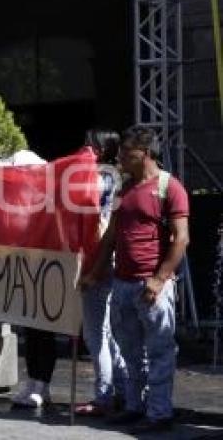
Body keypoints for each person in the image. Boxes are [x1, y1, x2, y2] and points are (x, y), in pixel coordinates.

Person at [84, 126, 189, 433]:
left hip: (151, 286)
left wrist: (159, 280)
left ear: (143, 154)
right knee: (130, 351)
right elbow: (111, 236)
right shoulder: (123, 189)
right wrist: (96, 272)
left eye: (125, 154)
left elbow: (181, 239)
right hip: (122, 283)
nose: (119, 159)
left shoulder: (170, 187)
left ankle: (159, 413)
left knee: (159, 351)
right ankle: (135, 406)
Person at [75, 130, 128, 416]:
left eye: (89, 143)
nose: (84, 147)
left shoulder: (96, 178)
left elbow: (96, 221)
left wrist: (92, 268)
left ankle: (105, 394)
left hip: (98, 259)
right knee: (106, 331)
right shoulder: (117, 178)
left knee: (96, 333)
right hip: (110, 259)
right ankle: (121, 389)